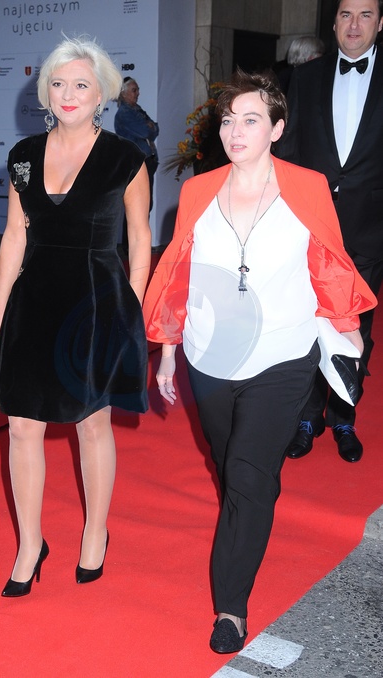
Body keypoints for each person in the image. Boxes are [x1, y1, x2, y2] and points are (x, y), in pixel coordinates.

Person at [143, 69, 376, 654]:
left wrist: (346, 337)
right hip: (209, 356)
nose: (236, 131)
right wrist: (168, 350)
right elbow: (180, 274)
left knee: (247, 476)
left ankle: (231, 606)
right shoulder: (199, 191)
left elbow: (329, 263)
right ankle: (253, 498)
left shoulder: (307, 187)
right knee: (232, 467)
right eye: (228, 120)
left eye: (250, 120)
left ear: (277, 128)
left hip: (282, 354)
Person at [0, 36, 151, 597]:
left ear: (101, 93)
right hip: (33, 301)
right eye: (58, 83)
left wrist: (131, 311)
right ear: (45, 92)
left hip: (94, 305)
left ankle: (95, 531)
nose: (68, 93)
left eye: (81, 84)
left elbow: (140, 240)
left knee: (91, 422)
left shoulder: (126, 159)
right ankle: (30, 544)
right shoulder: (23, 155)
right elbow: (14, 235)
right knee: (21, 426)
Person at [276, 0, 383, 463]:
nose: (354, 25)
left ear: (380, 22)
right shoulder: (305, 77)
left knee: (355, 327)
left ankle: (343, 417)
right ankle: (306, 417)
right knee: (306, 323)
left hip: (369, 228)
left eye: (365, 15)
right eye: (345, 15)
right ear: (334, 21)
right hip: (311, 227)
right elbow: (290, 152)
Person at [114, 77, 159, 252]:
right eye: (134, 90)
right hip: (136, 163)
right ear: (123, 93)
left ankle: (137, 245)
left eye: (137, 89)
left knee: (144, 204)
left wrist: (151, 127)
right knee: (137, 205)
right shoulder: (125, 113)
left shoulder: (136, 110)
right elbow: (146, 130)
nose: (138, 93)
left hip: (146, 161)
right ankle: (131, 247)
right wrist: (149, 127)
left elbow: (155, 128)